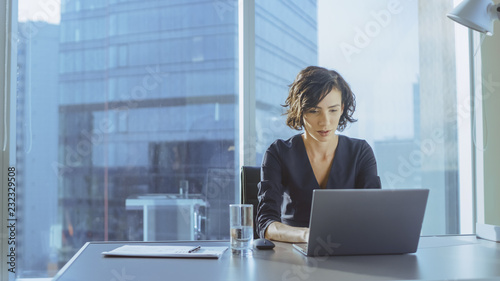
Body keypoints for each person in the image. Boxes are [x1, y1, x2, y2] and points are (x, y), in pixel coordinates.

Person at [256, 66, 381, 243]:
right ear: (300, 110)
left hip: (348, 251)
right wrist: (306, 235)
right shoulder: (278, 153)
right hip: (292, 253)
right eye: (314, 111)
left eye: (333, 110)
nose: (325, 121)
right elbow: (266, 224)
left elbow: (374, 216)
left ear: (342, 108)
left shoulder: (360, 152)